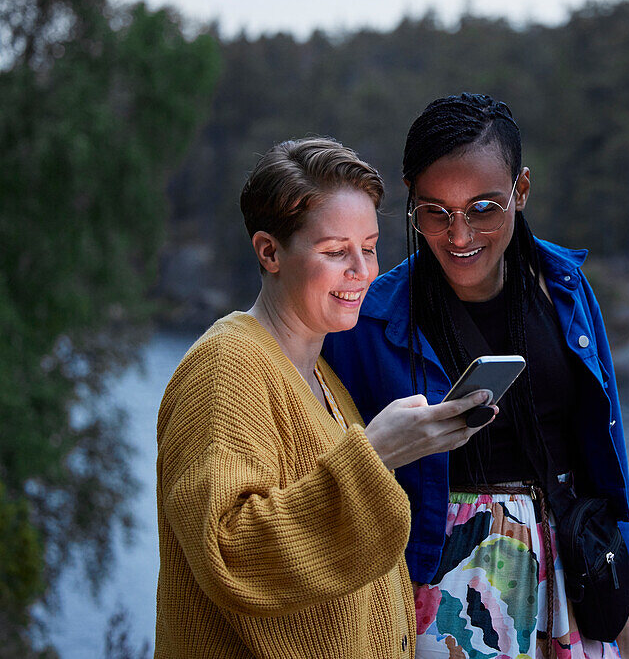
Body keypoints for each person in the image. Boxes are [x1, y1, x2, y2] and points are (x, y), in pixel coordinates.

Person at [324, 94, 629, 659]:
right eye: (434, 210)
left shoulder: (564, 288)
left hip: (568, 572)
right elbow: (332, 464)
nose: (458, 234)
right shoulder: (369, 319)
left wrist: (621, 595)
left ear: (520, 191)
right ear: (410, 199)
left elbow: (603, 450)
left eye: (483, 208)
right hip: (433, 587)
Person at [155, 138, 494, 658]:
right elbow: (228, 554)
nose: (361, 270)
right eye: (336, 252)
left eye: (370, 246)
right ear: (269, 251)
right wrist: (376, 455)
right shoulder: (226, 367)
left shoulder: (321, 375)